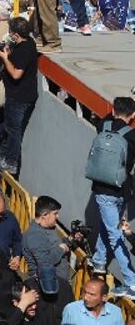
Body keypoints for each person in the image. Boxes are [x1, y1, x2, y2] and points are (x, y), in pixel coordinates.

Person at [87, 96, 135, 296]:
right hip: (122, 190)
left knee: (114, 233)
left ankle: (132, 282)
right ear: (133, 116)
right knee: (110, 226)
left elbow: (108, 117)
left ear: (114, 110)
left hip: (102, 189)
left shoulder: (103, 126)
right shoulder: (132, 135)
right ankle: (99, 260)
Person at [0, 17, 37, 174]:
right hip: (23, 95)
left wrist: (5, 58)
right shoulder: (29, 43)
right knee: (9, 127)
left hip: (18, 97)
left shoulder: (23, 50)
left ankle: (11, 162)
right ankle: (4, 154)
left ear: (15, 34)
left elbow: (16, 74)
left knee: (13, 130)